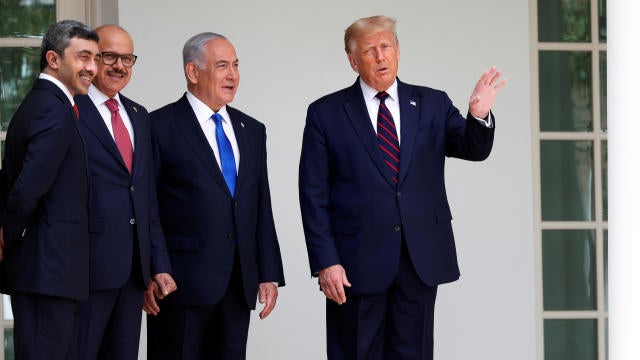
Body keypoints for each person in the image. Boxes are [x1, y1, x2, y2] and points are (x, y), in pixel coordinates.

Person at [299, 15, 506, 360]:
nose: (381, 57)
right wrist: (326, 262)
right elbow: (313, 194)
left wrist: (479, 116)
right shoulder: (326, 113)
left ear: (397, 52)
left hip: (419, 259)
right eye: (370, 50)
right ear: (353, 60)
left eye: (386, 47)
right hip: (354, 265)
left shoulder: (432, 103)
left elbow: (472, 148)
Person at [144, 32, 285, 359]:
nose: (233, 75)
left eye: (235, 65)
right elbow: (147, 206)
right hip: (178, 285)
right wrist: (152, 269)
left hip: (238, 284)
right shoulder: (157, 126)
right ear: (193, 72)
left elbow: (260, 204)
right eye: (222, 65)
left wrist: (268, 273)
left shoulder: (252, 129)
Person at [74, 24, 176, 359]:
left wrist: (157, 264)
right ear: (91, 59)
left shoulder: (139, 115)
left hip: (133, 275)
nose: (120, 65)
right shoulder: (71, 109)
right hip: (85, 271)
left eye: (128, 59)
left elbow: (147, 198)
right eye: (110, 56)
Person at [0, 20, 100, 359]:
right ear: (54, 60)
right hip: (46, 273)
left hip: (50, 273)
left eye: (95, 58)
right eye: (83, 57)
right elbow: (26, 188)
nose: (92, 67)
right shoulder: (52, 110)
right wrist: (6, 236)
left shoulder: (48, 105)